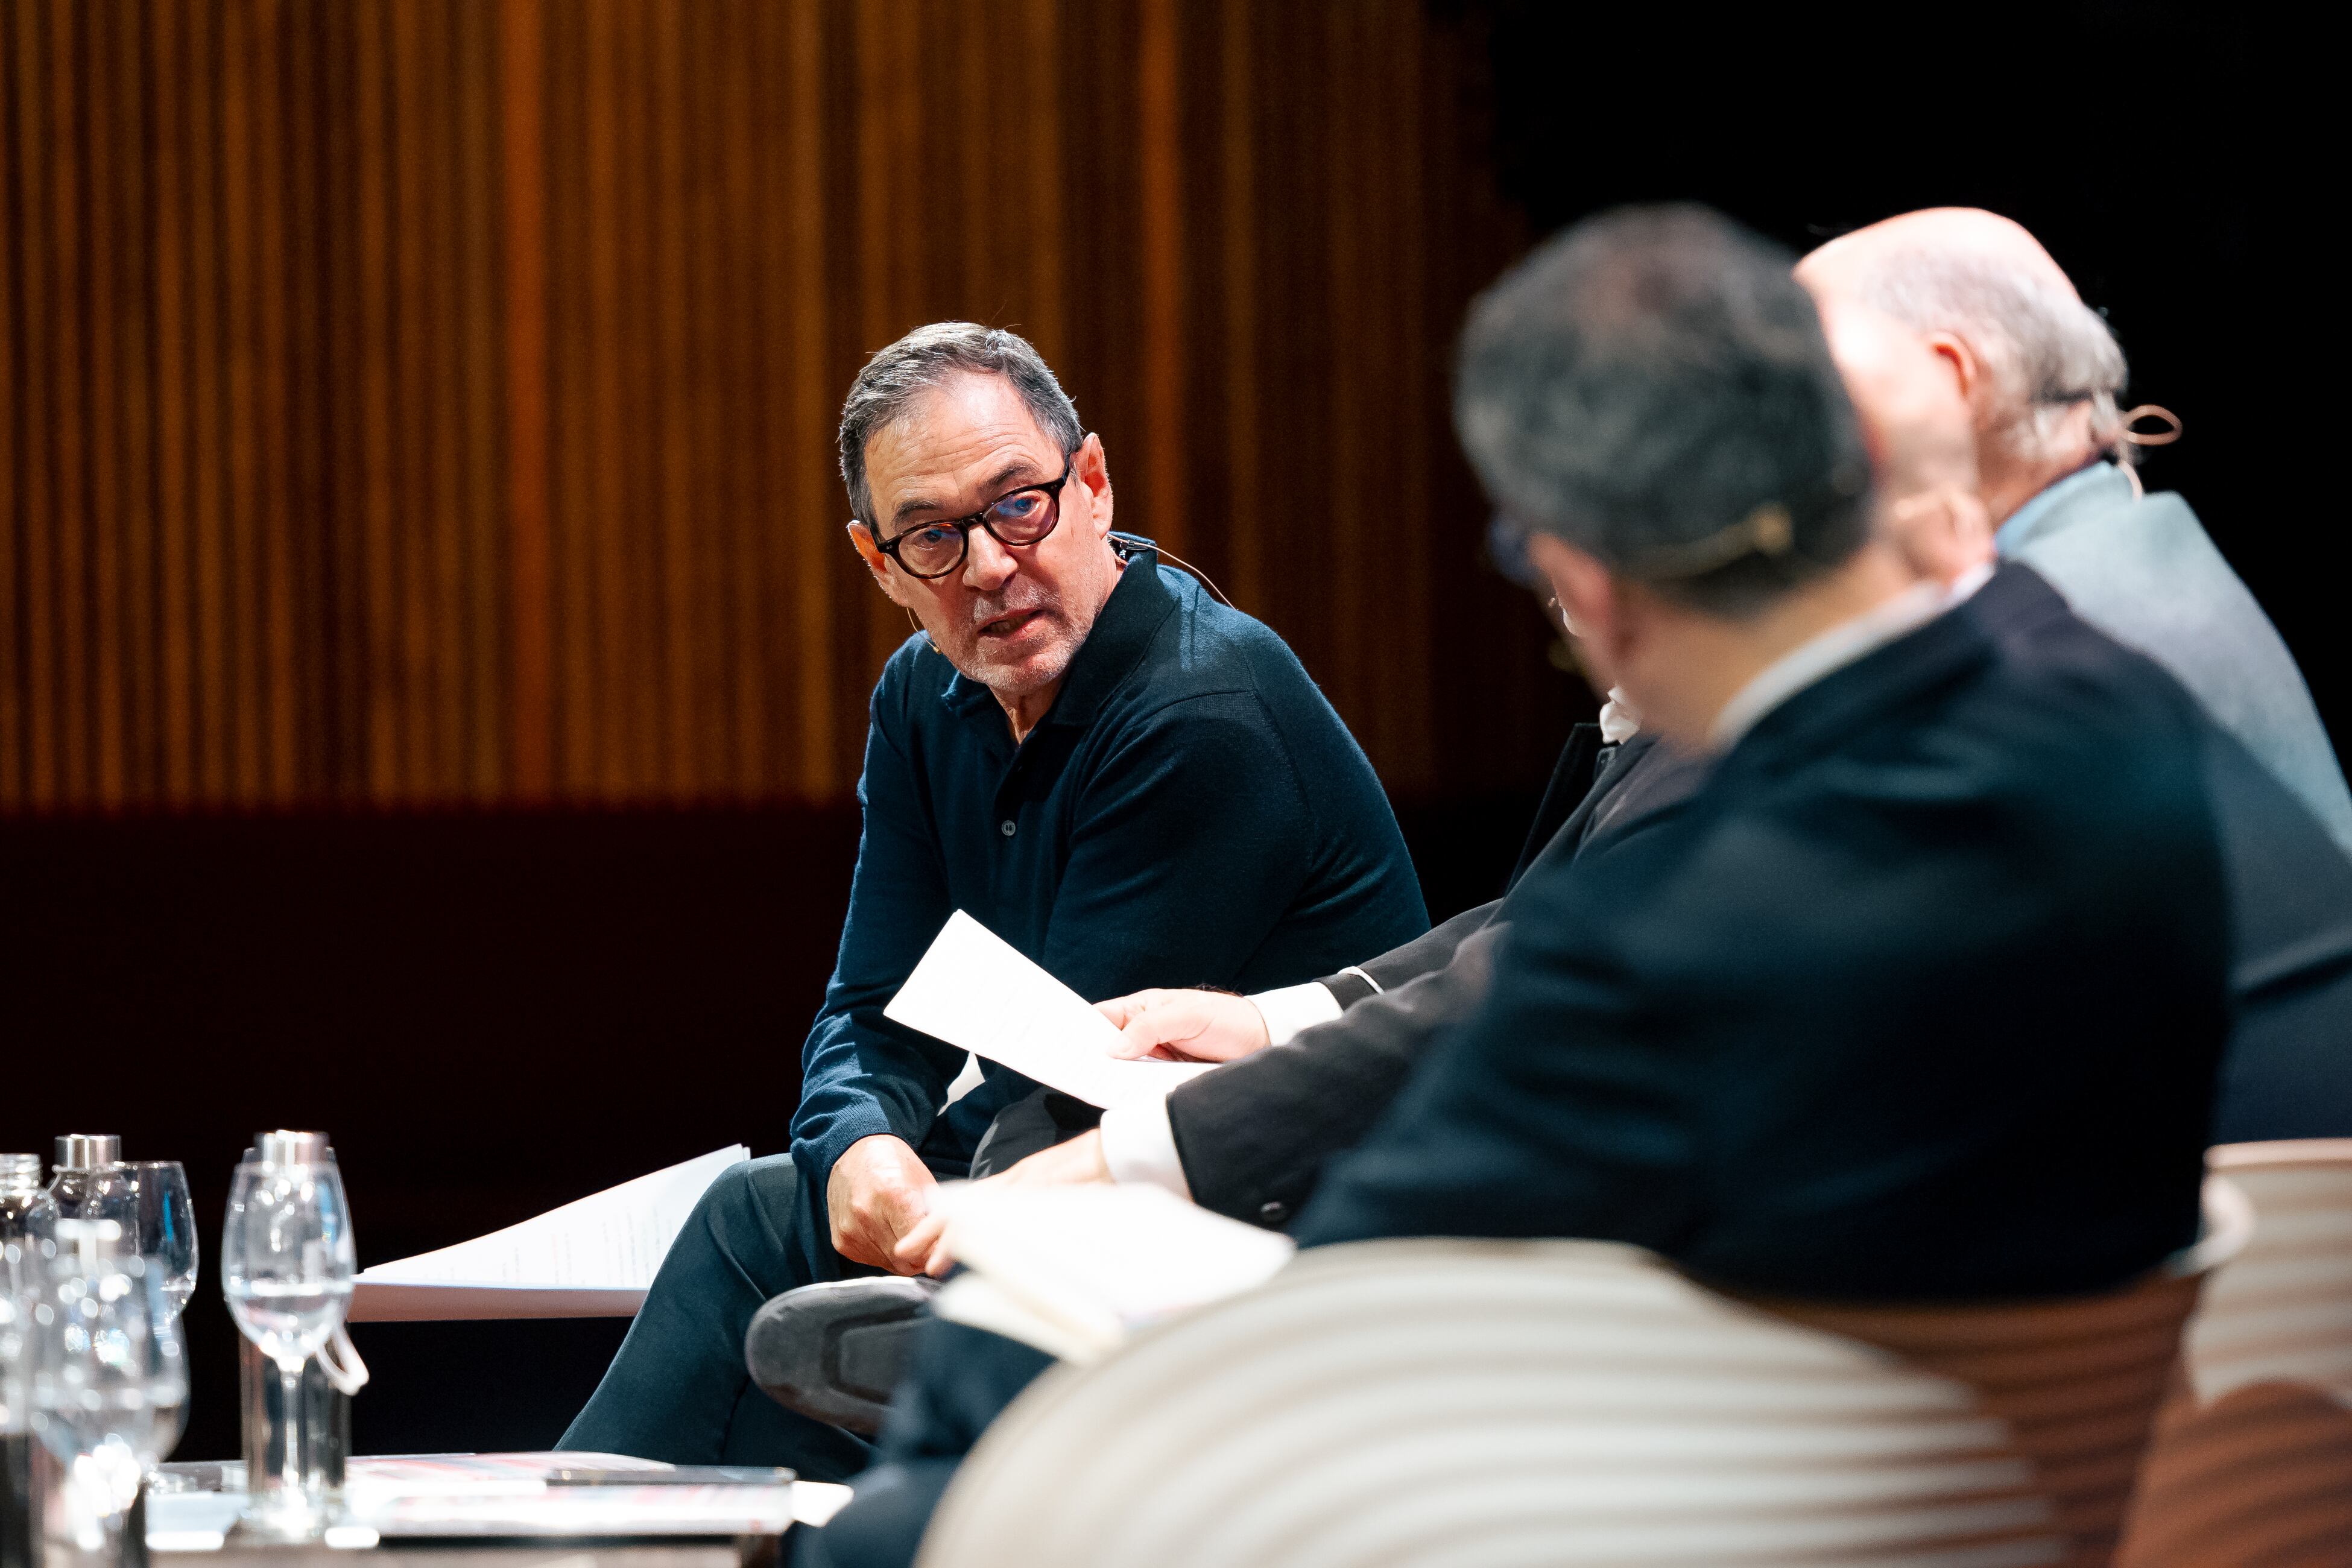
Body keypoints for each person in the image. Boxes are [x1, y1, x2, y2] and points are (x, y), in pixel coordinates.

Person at [791, 207, 2233, 1567]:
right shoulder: (2119, 720)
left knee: (1012, 1321)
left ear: (1585, 578)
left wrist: (1087, 1199)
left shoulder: (1688, 907)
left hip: (1639, 1492)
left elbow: (1354, 1278)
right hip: (1969, 1483)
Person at [557, 323, 1428, 1473]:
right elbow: (876, 1001)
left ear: (1096, 484)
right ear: (881, 567)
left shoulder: (1201, 710)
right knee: (776, 1219)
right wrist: (859, 1148)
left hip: (1262, 1222)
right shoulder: (925, 692)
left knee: (765, 1237)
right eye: (933, 537)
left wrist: (894, 1191)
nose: (987, 565)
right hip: (1084, 1184)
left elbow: (1067, 1090)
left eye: (1020, 503)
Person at [1796, 207, 2352, 854]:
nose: (1788, 438)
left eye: (1814, 388)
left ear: (1947, 381)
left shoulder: (2048, 640)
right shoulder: (2127, 550)